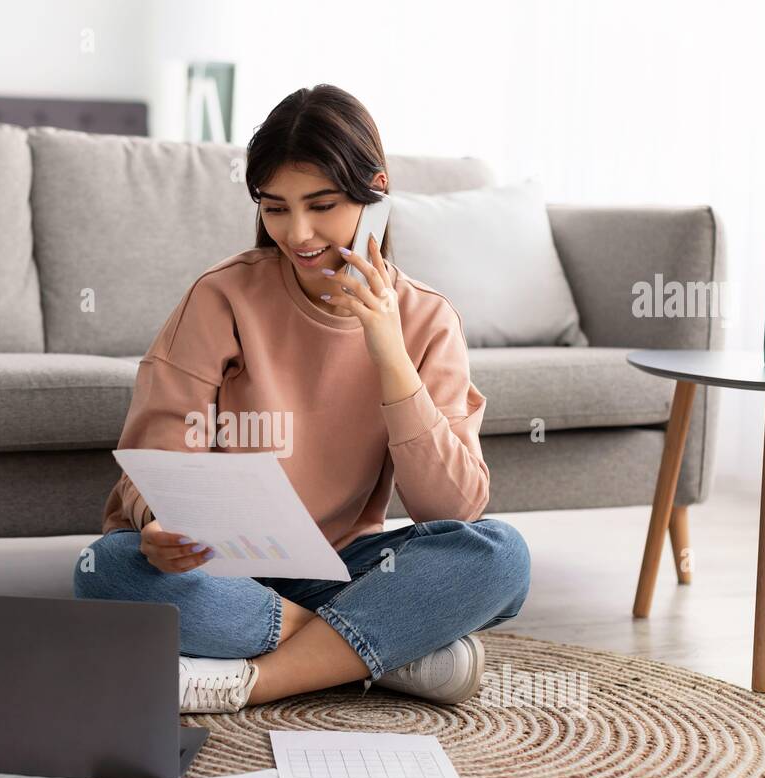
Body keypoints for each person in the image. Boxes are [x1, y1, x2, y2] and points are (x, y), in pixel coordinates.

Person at [73, 84, 531, 714]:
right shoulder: (221, 297)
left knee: (501, 558)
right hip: (218, 568)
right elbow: (157, 454)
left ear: (376, 194)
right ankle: (387, 651)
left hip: (341, 565)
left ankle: (258, 680)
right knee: (108, 568)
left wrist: (389, 354)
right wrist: (156, 525)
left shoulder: (427, 320)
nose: (299, 232)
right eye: (276, 208)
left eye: (323, 205)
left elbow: (451, 506)